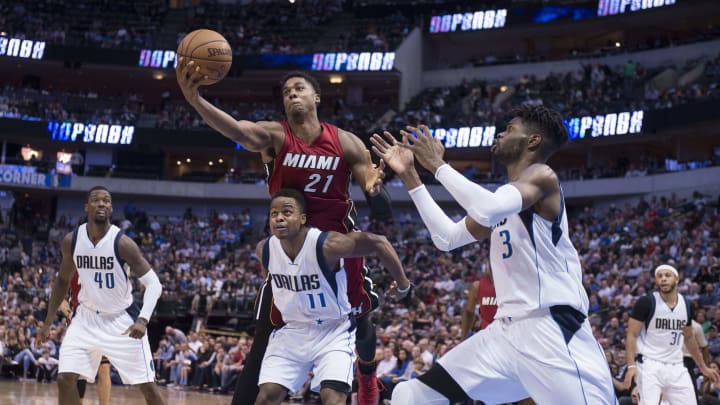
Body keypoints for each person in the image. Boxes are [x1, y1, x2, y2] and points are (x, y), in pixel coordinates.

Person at [177, 63, 407, 405]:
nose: (292, 94)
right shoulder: (275, 135)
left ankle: (368, 378)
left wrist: (376, 186)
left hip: (337, 247)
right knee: (264, 336)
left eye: (298, 88)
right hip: (290, 248)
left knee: (362, 320)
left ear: (316, 96)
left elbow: (373, 188)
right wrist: (196, 100)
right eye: (286, 92)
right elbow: (239, 132)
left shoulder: (345, 141)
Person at [370, 107, 617, 404]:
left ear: (534, 141)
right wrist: (410, 175)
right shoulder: (503, 199)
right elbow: (446, 238)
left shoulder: (542, 177)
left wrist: (437, 164)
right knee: (412, 396)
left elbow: (487, 208)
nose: (501, 132)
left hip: (552, 329)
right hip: (505, 334)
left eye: (510, 128)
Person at [254, 189, 408, 405]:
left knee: (333, 398)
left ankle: (367, 376)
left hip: (332, 330)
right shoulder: (264, 250)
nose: (279, 218)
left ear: (302, 218)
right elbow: (271, 281)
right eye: (274, 213)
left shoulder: (326, 245)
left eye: (287, 212)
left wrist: (403, 284)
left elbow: (378, 242)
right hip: (293, 331)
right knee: (266, 397)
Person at [36, 186, 165, 405]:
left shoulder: (123, 243)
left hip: (121, 320)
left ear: (111, 208)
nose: (102, 204)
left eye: (106, 200)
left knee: (148, 387)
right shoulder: (72, 240)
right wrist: (47, 322)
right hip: (85, 318)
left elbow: (154, 284)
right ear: (87, 206)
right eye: (96, 200)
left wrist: (143, 320)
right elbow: (62, 281)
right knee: (65, 378)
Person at [624, 264, 719, 404]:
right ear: (656, 281)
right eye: (660, 276)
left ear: (676, 279)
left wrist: (703, 366)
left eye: (667, 276)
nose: (663, 279)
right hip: (649, 365)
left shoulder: (686, 305)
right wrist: (631, 366)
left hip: (677, 365)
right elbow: (631, 334)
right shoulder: (646, 302)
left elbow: (689, 337)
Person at [461, 270, 496, 338]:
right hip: (491, 335)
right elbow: (469, 313)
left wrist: (463, 338)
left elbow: (469, 313)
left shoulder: (478, 285)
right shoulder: (478, 286)